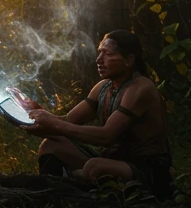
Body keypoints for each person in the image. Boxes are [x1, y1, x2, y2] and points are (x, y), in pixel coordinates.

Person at [23, 30, 174, 199]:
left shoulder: (141, 88)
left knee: (95, 167)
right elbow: (67, 121)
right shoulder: (103, 87)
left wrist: (53, 123)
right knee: (50, 145)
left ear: (129, 60)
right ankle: (51, 195)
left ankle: (74, 187)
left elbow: (106, 136)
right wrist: (31, 113)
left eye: (107, 54)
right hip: (113, 161)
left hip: (147, 169)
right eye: (99, 52)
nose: (98, 60)